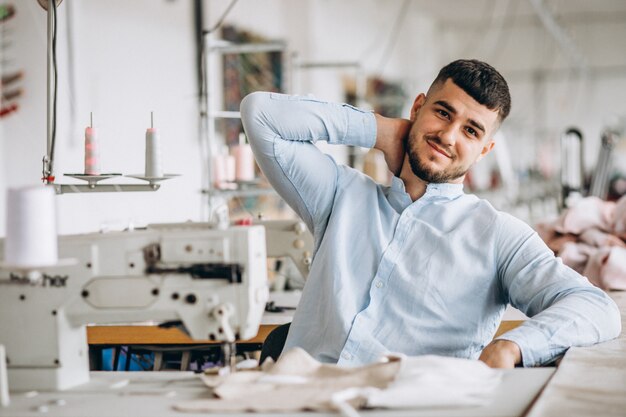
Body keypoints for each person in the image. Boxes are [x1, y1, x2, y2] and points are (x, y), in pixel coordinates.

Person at [240, 59, 621, 368]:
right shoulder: (340, 195)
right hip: (295, 402)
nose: (449, 136)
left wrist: (513, 346)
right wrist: (380, 130)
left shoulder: (498, 235)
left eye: (471, 131)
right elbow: (260, 115)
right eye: (442, 112)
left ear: (484, 150)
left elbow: (597, 308)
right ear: (418, 107)